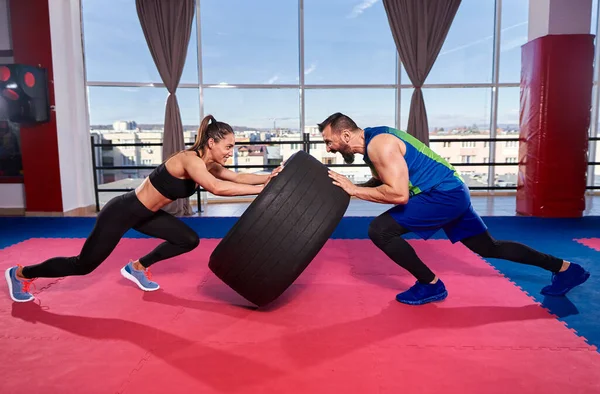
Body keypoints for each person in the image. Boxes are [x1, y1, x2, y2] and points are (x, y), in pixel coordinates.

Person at [319, 112, 590, 305]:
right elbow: (383, 180)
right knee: (488, 248)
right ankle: (566, 269)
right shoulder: (376, 140)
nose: (329, 149)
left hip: (441, 195)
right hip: (452, 190)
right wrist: (352, 187)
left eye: (329, 142)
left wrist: (354, 190)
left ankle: (430, 285)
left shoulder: (380, 146)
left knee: (381, 230)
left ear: (345, 135)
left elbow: (399, 195)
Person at [5, 115, 283, 303]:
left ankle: (137, 267)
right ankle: (20, 273)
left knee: (188, 239)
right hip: (123, 211)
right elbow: (217, 188)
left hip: (146, 214)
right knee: (84, 265)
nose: (230, 152)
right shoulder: (189, 160)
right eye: (229, 146)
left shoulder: (208, 163)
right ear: (212, 142)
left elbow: (236, 178)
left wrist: (271, 177)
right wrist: (263, 190)